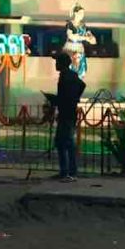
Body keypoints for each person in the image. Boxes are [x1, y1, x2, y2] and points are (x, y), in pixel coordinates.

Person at [54, 52, 86, 181]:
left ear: (62, 63)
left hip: (66, 113)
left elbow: (64, 96)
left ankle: (68, 172)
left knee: (64, 142)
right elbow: (82, 85)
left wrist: (63, 100)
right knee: (66, 142)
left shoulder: (66, 76)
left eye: (57, 62)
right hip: (68, 112)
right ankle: (68, 171)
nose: (55, 64)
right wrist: (74, 98)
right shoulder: (70, 75)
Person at [63, 3, 96, 78]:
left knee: (81, 68)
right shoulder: (70, 24)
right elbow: (71, 36)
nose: (82, 15)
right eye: (81, 13)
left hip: (80, 48)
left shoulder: (83, 26)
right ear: (75, 13)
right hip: (71, 47)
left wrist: (91, 39)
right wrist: (84, 38)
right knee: (71, 67)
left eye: (83, 13)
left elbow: (90, 35)